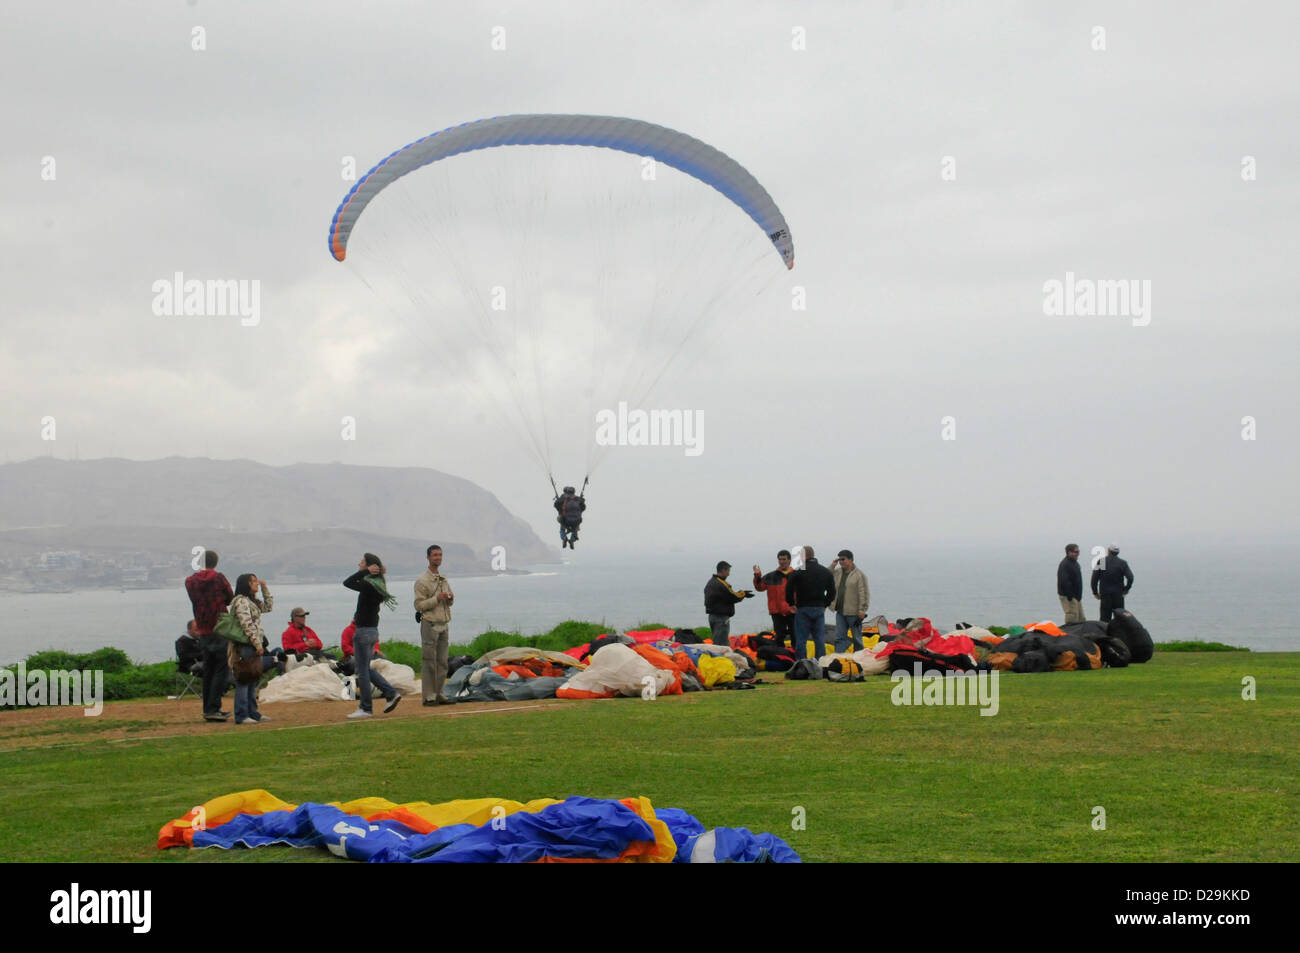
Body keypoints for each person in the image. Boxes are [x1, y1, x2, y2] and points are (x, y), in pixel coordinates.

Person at [343, 553, 402, 718]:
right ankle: (390, 693)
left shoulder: (368, 584)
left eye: (361, 562)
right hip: (373, 631)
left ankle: (366, 708)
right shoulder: (378, 583)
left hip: (362, 631)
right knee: (365, 669)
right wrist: (373, 572)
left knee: (361, 671)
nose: (358, 564)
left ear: (369, 565)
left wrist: (365, 572)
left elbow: (347, 583)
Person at [184, 549, 234, 722]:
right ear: (216, 562)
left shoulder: (190, 582)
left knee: (209, 669)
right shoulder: (219, 578)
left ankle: (208, 708)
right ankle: (214, 707)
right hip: (219, 627)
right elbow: (229, 597)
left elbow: (193, 599)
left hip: (203, 629)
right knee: (221, 669)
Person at [228, 573, 273, 725]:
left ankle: (253, 712)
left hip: (252, 643)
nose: (256, 584)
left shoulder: (251, 601)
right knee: (244, 678)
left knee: (253, 677)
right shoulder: (241, 601)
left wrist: (265, 588)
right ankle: (241, 714)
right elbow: (246, 624)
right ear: (245, 584)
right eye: (253, 582)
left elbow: (268, 607)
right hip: (246, 644)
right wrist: (257, 644)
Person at [413, 544, 454, 706]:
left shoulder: (443, 579)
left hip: (444, 622)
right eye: (435, 555)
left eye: (440, 555)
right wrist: (437, 598)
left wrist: (450, 598)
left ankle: (440, 693)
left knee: (443, 662)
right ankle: (429, 696)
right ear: (428, 557)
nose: (438, 558)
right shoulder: (422, 581)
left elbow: (449, 603)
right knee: (429, 660)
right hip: (429, 624)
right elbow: (419, 605)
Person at [786, 545, 836, 660]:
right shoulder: (825, 572)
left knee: (801, 639)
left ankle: (802, 663)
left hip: (802, 608)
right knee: (819, 639)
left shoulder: (798, 571)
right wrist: (825, 604)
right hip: (819, 608)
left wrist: (791, 604)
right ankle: (821, 663)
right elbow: (832, 592)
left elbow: (788, 588)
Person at [703, 561, 754, 647]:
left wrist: (741, 593)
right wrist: (743, 594)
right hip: (721, 618)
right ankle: (722, 660)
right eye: (728, 571)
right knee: (722, 645)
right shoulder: (720, 584)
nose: (728, 574)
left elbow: (727, 595)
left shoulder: (711, 582)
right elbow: (732, 596)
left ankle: (717, 659)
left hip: (712, 617)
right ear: (723, 570)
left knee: (717, 643)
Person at [753, 551, 797, 648]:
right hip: (777, 612)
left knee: (795, 636)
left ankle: (796, 658)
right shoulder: (771, 576)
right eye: (780, 559)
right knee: (779, 637)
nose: (782, 561)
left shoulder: (796, 575)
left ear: (789, 560)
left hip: (793, 611)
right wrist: (757, 575)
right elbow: (759, 587)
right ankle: (780, 658)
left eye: (784, 559)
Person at [830, 550, 870, 653]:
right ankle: (838, 659)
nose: (841, 562)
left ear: (851, 560)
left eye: (843, 559)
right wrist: (832, 566)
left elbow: (864, 593)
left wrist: (862, 610)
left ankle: (859, 659)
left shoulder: (859, 575)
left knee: (857, 638)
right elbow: (825, 576)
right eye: (839, 559)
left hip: (854, 613)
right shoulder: (838, 572)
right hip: (840, 611)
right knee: (839, 637)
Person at [1091, 544, 1134, 623]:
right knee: (1120, 618)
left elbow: (1094, 578)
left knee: (1104, 619)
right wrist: (1126, 589)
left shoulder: (1102, 562)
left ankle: (1105, 634)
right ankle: (1119, 634)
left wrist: (1095, 592)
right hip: (1118, 595)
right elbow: (1130, 577)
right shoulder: (1122, 563)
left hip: (1105, 595)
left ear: (1109, 551)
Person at [1057, 544, 1085, 623]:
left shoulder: (1075, 563)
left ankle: (1080, 634)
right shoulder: (1065, 564)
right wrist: (1070, 596)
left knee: (1081, 618)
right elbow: (1064, 581)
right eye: (1076, 552)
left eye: (1078, 552)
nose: (1077, 554)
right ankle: (1069, 633)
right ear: (1069, 552)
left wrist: (1078, 596)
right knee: (1072, 617)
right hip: (1068, 596)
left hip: (1076, 596)